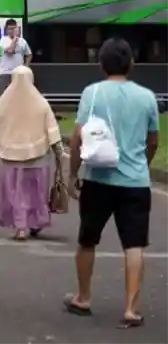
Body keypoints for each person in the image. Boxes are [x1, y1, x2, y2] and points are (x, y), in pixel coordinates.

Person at [64, 38, 159, 328]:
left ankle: (83, 297)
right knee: (134, 245)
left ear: (100, 64)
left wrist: (72, 174)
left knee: (87, 240)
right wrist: (142, 162)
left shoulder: (91, 93)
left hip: (98, 179)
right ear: (131, 63)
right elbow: (153, 140)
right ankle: (131, 308)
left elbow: (78, 138)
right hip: (136, 182)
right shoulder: (147, 97)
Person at [0, 65, 62, 240]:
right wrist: (59, 152)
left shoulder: (4, 103)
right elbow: (52, 130)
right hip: (37, 157)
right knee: (35, 192)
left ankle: (20, 226)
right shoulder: (40, 102)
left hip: (10, 158)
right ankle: (35, 223)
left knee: (15, 193)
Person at [0, 19, 32, 96]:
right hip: (5, 73)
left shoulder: (23, 41)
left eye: (14, 28)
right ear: (6, 30)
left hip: (18, 73)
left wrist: (26, 66)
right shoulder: (3, 40)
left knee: (18, 96)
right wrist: (15, 39)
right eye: (10, 29)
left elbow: (29, 54)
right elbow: (10, 51)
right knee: (4, 97)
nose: (12, 30)